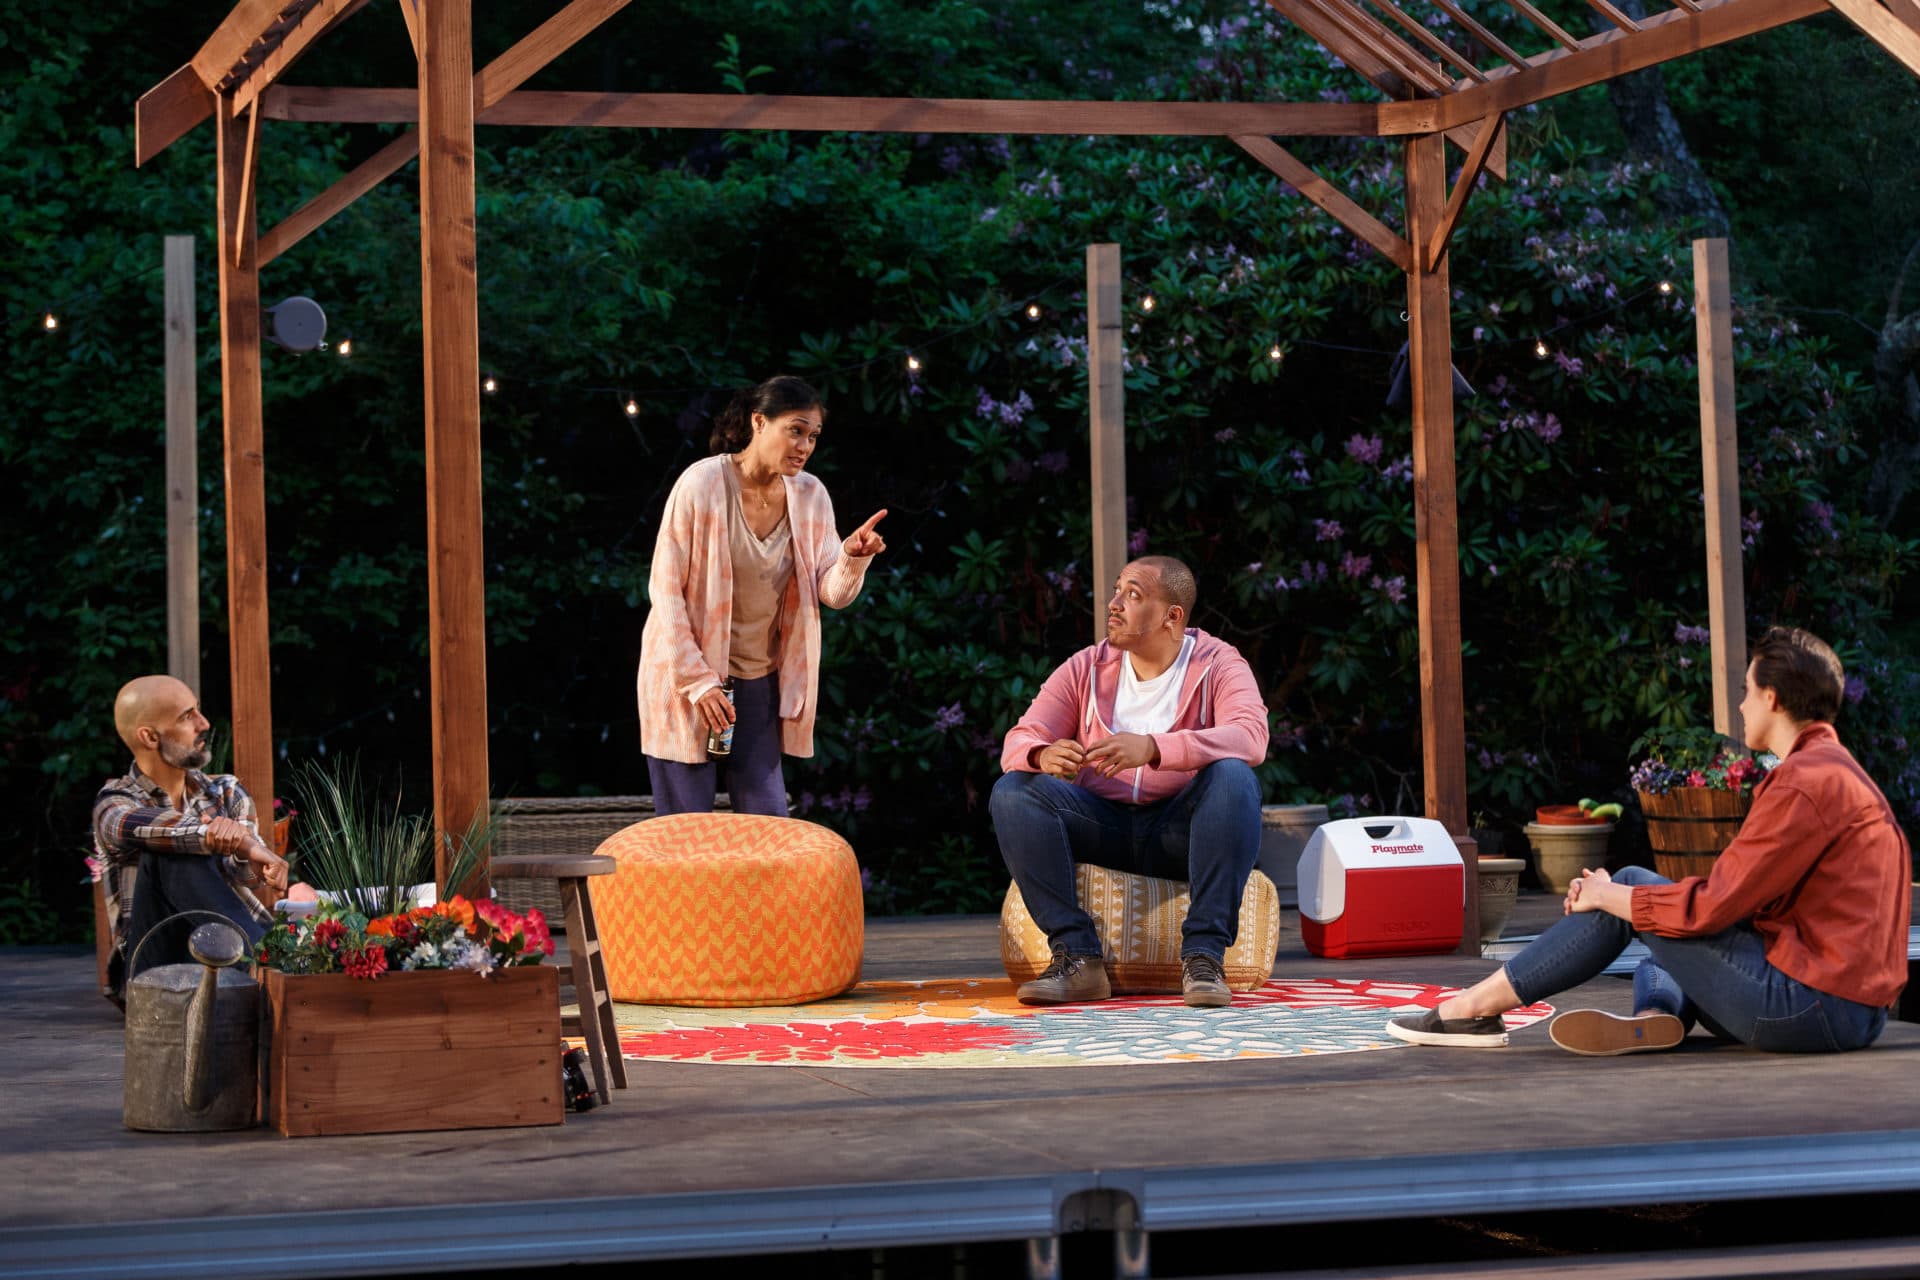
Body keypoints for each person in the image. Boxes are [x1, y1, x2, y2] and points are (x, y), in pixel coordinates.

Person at [1389, 626, 1911, 1055]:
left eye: (1747, 691)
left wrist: (1609, 896)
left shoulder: (1804, 783)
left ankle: (1470, 1009)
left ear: (1772, 698)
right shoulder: (1839, 774)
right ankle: (1655, 1019)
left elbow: (1714, 905)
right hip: (1852, 1012)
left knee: (1636, 892)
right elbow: (1736, 904)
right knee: (1660, 943)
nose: (1742, 705)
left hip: (1812, 1007)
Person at [991, 556, 1271, 1007]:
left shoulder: (1217, 662)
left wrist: (1155, 747)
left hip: (1181, 833)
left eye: (1133, 595)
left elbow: (1251, 736)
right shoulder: (1085, 667)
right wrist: (1042, 754)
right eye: (1117, 590)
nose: (1114, 604)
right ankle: (1078, 958)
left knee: (1234, 776)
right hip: (1102, 827)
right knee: (1014, 792)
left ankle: (1204, 958)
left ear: (1171, 616)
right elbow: (1018, 740)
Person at [637, 375, 887, 816]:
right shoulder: (702, 485)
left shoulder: (810, 495)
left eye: (813, 436)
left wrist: (852, 557)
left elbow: (831, 593)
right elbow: (665, 590)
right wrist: (698, 682)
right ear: (758, 422)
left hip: (758, 682)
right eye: (795, 430)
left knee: (768, 824)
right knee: (685, 834)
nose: (805, 446)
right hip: (687, 677)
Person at [92, 675, 315, 985]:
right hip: (157, 966)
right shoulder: (114, 802)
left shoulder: (226, 791)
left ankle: (275, 960)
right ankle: (270, 967)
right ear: (150, 737)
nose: (204, 723)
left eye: (198, 710)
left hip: (232, 948)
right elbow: (162, 831)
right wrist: (232, 841)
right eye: (187, 716)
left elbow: (246, 878)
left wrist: (251, 862)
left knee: (308, 903)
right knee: (170, 850)